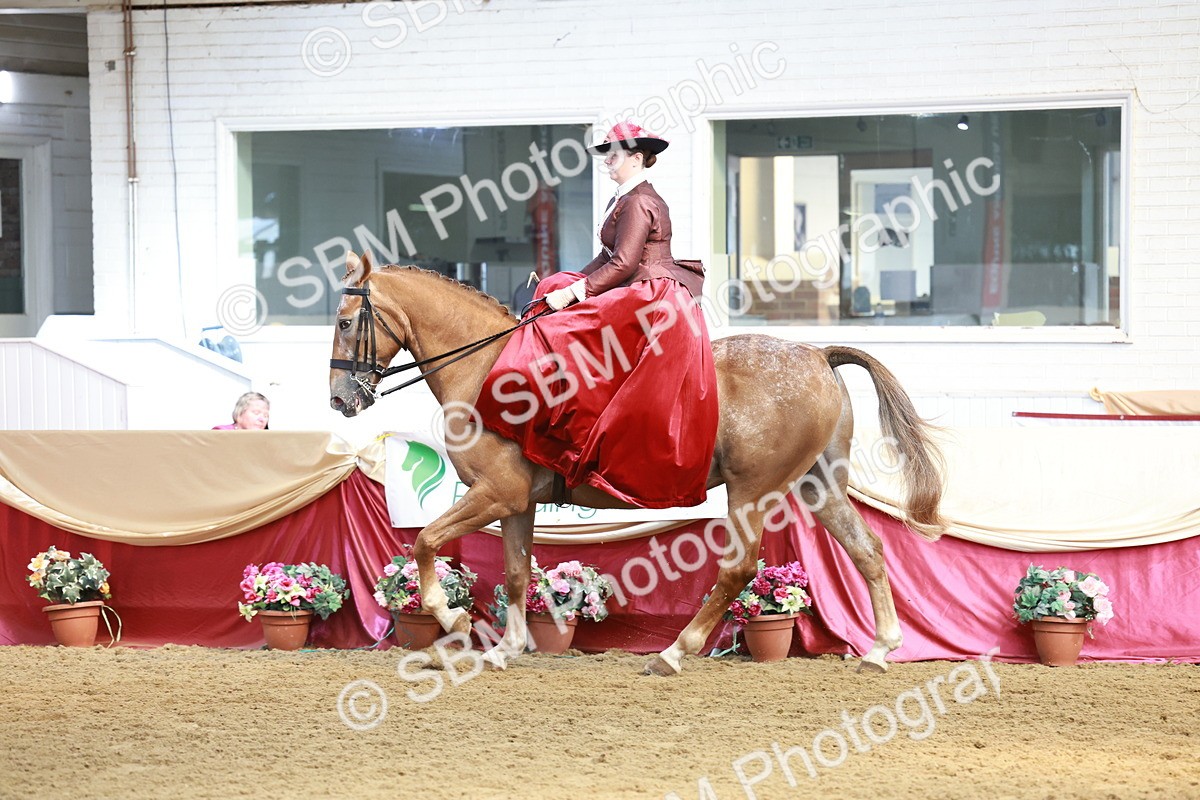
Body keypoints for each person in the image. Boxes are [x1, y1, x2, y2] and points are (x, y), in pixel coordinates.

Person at [474, 120, 718, 509]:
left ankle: (571, 430)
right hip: (635, 285)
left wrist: (576, 293)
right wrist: (566, 284)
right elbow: (606, 258)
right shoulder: (625, 197)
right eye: (606, 156)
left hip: (651, 296)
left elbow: (623, 264)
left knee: (569, 328)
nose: (608, 163)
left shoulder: (639, 200)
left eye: (615, 156)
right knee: (551, 290)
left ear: (637, 158)